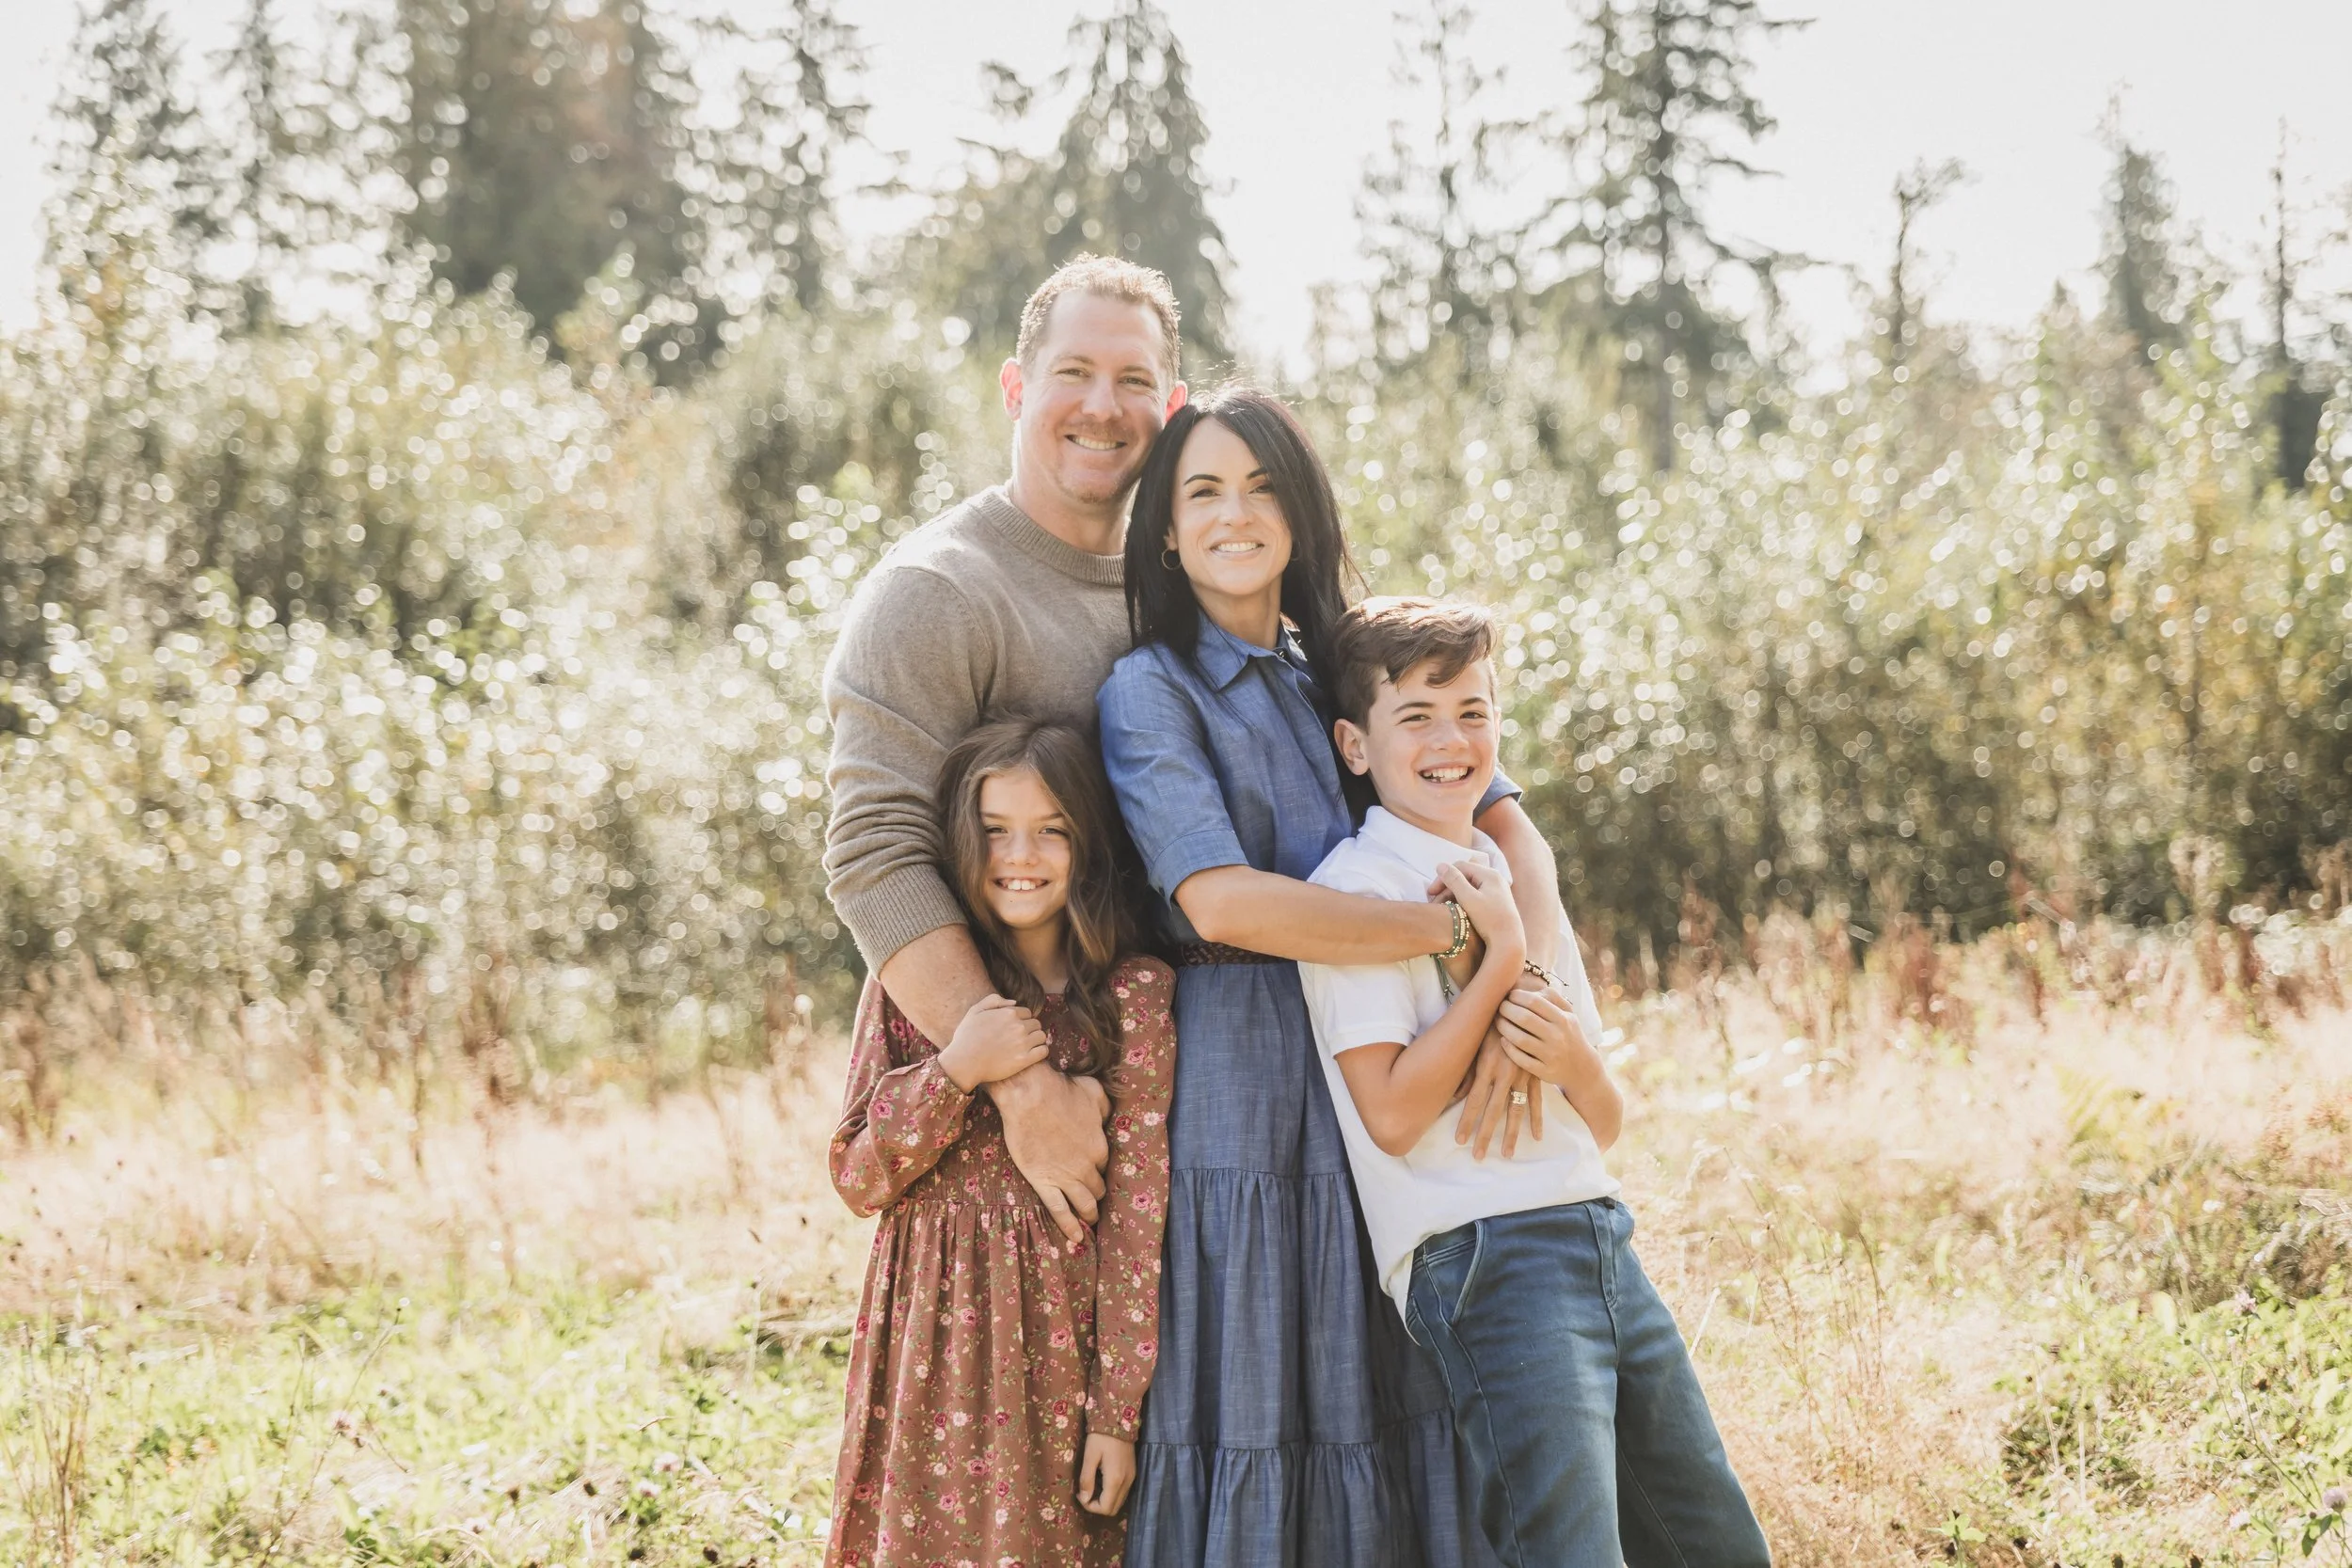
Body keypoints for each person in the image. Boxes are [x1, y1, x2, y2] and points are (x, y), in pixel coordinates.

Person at [1096, 388, 1565, 1566]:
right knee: (1256, 1372)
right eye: (1201, 490)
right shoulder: (1151, 688)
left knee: (1385, 1357)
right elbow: (1218, 899)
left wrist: (1520, 992)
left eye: (1259, 487)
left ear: (1300, 514)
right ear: (1163, 526)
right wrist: (1451, 942)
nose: (1233, 513)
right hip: (1244, 1067)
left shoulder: (1345, 663)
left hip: (1385, 1046)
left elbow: (1512, 833)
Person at [1297, 595, 1770, 1568]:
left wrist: (1569, 1056)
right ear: (1354, 743)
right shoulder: (1360, 889)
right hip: (1482, 1254)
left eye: (1473, 712)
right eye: (1416, 715)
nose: (1450, 738)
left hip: (1600, 1234)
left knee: (1712, 1540)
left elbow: (1602, 1117)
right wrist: (1499, 958)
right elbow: (1387, 1112)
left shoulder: (1512, 871)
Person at [822, 254, 1188, 1243]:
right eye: (1073, 372)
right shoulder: (938, 590)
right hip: (1004, 1131)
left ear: (1175, 402)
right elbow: (872, 854)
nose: (1103, 406)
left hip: (1164, 1084)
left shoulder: (1190, 579)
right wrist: (1027, 1088)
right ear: (1016, 386)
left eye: (1134, 381)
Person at [826, 718, 1177, 1568]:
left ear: (1088, 841)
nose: (1020, 854)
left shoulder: (1133, 994)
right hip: (928, 1344)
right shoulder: (910, 976)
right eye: (994, 831)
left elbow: (1138, 1224)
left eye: (1051, 829)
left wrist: (1115, 1416)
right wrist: (956, 1070)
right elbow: (857, 1173)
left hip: (1055, 1362)